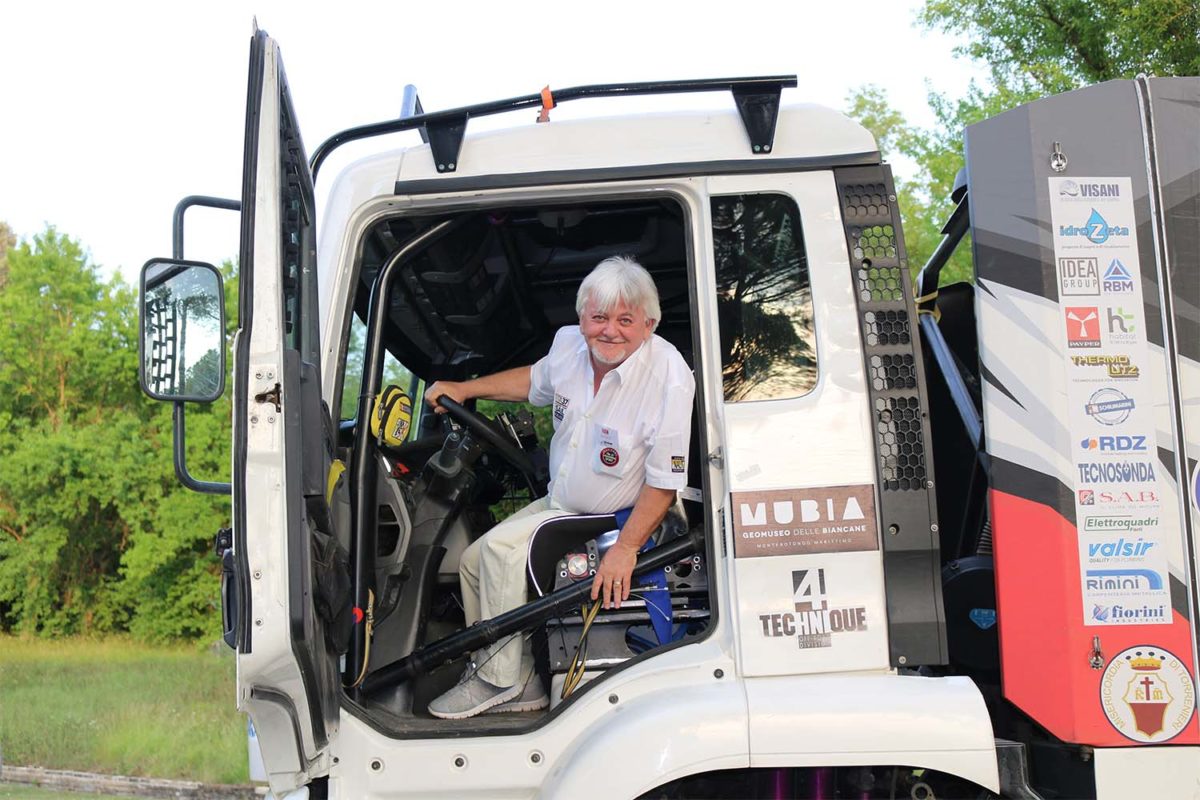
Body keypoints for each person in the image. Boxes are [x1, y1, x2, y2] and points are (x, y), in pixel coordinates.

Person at [423, 255, 695, 719]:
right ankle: (520, 677)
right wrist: (467, 389)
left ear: (648, 324)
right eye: (599, 317)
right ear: (581, 315)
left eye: (625, 320)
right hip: (560, 501)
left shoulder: (669, 376)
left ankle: (496, 679)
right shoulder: (569, 346)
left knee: (500, 554)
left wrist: (626, 549)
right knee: (471, 563)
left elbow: (664, 482)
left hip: (614, 514)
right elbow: (533, 380)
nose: (609, 330)